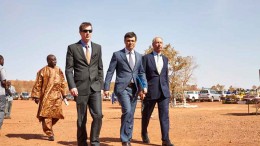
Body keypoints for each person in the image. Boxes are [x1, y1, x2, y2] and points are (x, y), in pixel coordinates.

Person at [104, 32, 147, 146]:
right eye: (128, 40)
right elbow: (110, 71)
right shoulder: (117, 55)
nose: (130, 43)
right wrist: (107, 87)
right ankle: (124, 139)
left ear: (135, 42)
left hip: (135, 89)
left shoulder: (139, 56)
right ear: (124, 41)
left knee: (131, 114)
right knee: (127, 111)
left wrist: (144, 87)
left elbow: (141, 73)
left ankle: (128, 138)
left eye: (132, 41)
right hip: (122, 88)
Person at [65, 22, 103, 146]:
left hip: (95, 88)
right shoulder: (72, 48)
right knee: (82, 118)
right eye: (85, 31)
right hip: (80, 88)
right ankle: (82, 143)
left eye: (90, 31)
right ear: (80, 32)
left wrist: (101, 86)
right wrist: (72, 86)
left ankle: (94, 142)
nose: (88, 33)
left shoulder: (97, 47)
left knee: (98, 115)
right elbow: (69, 69)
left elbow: (100, 68)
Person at [141, 37, 174, 146]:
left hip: (164, 92)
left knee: (164, 115)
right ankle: (144, 132)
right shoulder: (146, 58)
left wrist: (168, 91)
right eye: (157, 43)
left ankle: (165, 139)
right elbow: (142, 75)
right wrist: (143, 89)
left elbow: (165, 76)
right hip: (150, 91)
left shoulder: (165, 59)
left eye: (161, 43)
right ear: (153, 45)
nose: (159, 45)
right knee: (146, 114)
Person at [31, 54, 67, 141]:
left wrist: (64, 94)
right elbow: (38, 84)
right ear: (48, 61)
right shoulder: (43, 71)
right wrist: (36, 96)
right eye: (52, 60)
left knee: (57, 115)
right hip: (46, 97)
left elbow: (63, 82)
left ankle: (48, 126)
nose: (55, 61)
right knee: (46, 115)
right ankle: (49, 133)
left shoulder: (59, 70)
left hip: (57, 96)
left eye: (55, 60)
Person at [0, 55, 7, 136]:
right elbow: (3, 82)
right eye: (3, 60)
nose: (3, 62)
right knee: (1, 111)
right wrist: (7, 89)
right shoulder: (1, 68)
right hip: (0, 94)